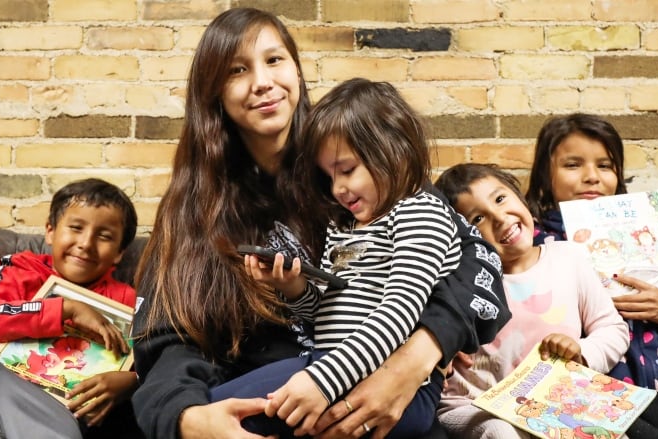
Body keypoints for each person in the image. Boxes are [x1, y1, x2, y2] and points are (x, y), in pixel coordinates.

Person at [131, 7, 510, 439]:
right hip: (279, 407)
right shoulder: (192, 211)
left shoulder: (362, 160)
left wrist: (420, 354)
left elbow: (476, 263)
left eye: (275, 60)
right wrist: (190, 420)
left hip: (389, 400)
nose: (262, 82)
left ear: (296, 69)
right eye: (237, 70)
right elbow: (165, 346)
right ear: (213, 92)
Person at [213, 78, 462, 438]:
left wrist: (322, 381)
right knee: (217, 408)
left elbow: (399, 313)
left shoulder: (419, 212)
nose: (338, 189)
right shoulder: (346, 226)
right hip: (336, 369)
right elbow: (327, 315)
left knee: (224, 410)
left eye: (346, 170)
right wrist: (295, 288)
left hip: (396, 388)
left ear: (394, 150)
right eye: (329, 176)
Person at [525, 113, 658, 439]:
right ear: (545, 176)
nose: (592, 177)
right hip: (593, 397)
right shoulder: (533, 244)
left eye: (605, 166)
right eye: (573, 165)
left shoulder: (656, 239)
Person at [0, 178, 138, 439]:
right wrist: (65, 310)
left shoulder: (127, 301)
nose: (86, 243)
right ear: (50, 231)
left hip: (56, 411)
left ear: (119, 253)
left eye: (104, 236)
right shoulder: (19, 268)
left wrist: (132, 382)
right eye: (76, 228)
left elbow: (156, 360)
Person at [434, 163, 629, 439]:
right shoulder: (461, 280)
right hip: (474, 407)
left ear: (519, 196)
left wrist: (581, 351)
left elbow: (613, 329)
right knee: (501, 431)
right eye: (477, 219)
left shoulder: (567, 258)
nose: (499, 217)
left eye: (500, 199)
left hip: (557, 402)